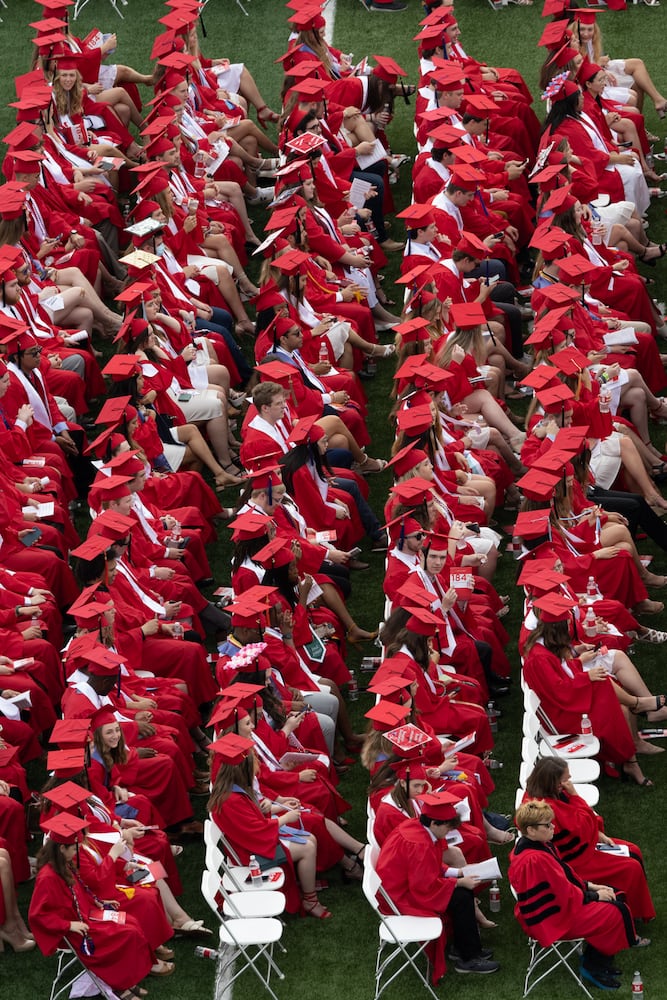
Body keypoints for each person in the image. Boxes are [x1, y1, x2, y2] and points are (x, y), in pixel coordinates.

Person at [509, 800, 644, 992]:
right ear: (531, 830)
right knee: (614, 911)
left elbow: (564, 877)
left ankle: (596, 959)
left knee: (616, 894)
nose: (553, 827)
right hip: (551, 920)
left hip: (560, 907)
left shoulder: (537, 846)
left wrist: (592, 886)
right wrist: (595, 896)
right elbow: (563, 893)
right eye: (547, 825)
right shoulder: (534, 859)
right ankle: (593, 967)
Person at [29, 814, 161, 998]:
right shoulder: (47, 877)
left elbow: (80, 892)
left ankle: (125, 980)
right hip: (75, 930)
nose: (76, 852)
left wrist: (99, 902)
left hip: (87, 913)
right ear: (61, 848)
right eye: (73, 848)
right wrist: (68, 926)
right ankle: (119, 986)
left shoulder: (63, 864)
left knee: (131, 922)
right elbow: (38, 915)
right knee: (126, 934)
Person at [375, 790, 499, 978]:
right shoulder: (419, 844)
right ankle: (468, 958)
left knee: (461, 893)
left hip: (401, 886)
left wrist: (458, 873)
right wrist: (458, 882)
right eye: (448, 828)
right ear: (434, 823)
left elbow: (430, 866)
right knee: (461, 896)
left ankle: (463, 947)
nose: (449, 833)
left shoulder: (416, 827)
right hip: (401, 896)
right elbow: (425, 887)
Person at [523, 758, 655, 921]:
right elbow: (584, 823)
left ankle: (635, 909)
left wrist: (597, 834)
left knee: (633, 849)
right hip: (574, 861)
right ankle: (630, 914)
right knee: (631, 867)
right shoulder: (546, 807)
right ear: (552, 781)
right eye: (565, 779)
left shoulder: (546, 791)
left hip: (581, 846)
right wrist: (575, 796)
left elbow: (583, 826)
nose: (568, 782)